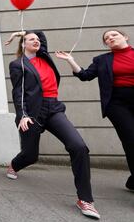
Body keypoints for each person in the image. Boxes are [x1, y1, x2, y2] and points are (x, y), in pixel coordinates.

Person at [5, 30, 100, 220]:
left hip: (54, 108)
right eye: (31, 39)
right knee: (31, 156)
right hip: (32, 112)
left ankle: (85, 199)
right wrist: (23, 115)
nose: (36, 41)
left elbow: (40, 35)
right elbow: (19, 92)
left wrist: (22, 32)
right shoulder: (18, 65)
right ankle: (14, 165)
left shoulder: (45, 57)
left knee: (79, 147)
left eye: (38, 39)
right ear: (23, 45)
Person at [56, 29, 134, 192]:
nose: (110, 38)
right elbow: (85, 75)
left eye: (114, 35)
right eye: (107, 38)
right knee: (131, 140)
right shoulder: (102, 60)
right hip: (117, 104)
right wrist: (71, 60)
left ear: (125, 37)